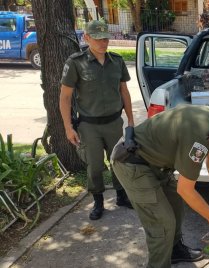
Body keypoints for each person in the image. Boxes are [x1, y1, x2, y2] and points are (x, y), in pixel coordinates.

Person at [111, 104, 209, 268]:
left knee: (176, 205)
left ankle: (174, 251)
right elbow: (186, 190)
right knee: (163, 223)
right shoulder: (200, 136)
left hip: (156, 162)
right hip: (132, 162)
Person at [59, 20, 135, 220]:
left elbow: (124, 92)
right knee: (94, 165)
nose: (103, 42)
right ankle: (98, 201)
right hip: (89, 125)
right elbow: (65, 97)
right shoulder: (76, 63)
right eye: (98, 38)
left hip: (113, 123)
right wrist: (68, 127)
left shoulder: (117, 61)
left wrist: (131, 121)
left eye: (106, 38)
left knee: (119, 160)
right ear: (87, 37)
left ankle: (121, 196)